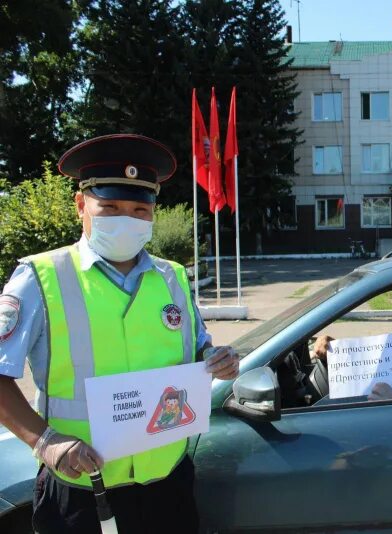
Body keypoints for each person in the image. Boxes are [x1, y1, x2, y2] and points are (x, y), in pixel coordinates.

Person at [0, 134, 240, 533]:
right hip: (82, 491)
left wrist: (219, 362)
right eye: (109, 206)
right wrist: (45, 442)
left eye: (138, 209)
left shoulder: (173, 277)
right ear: (81, 206)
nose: (126, 218)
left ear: (152, 213)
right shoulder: (41, 278)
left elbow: (199, 351)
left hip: (168, 484)